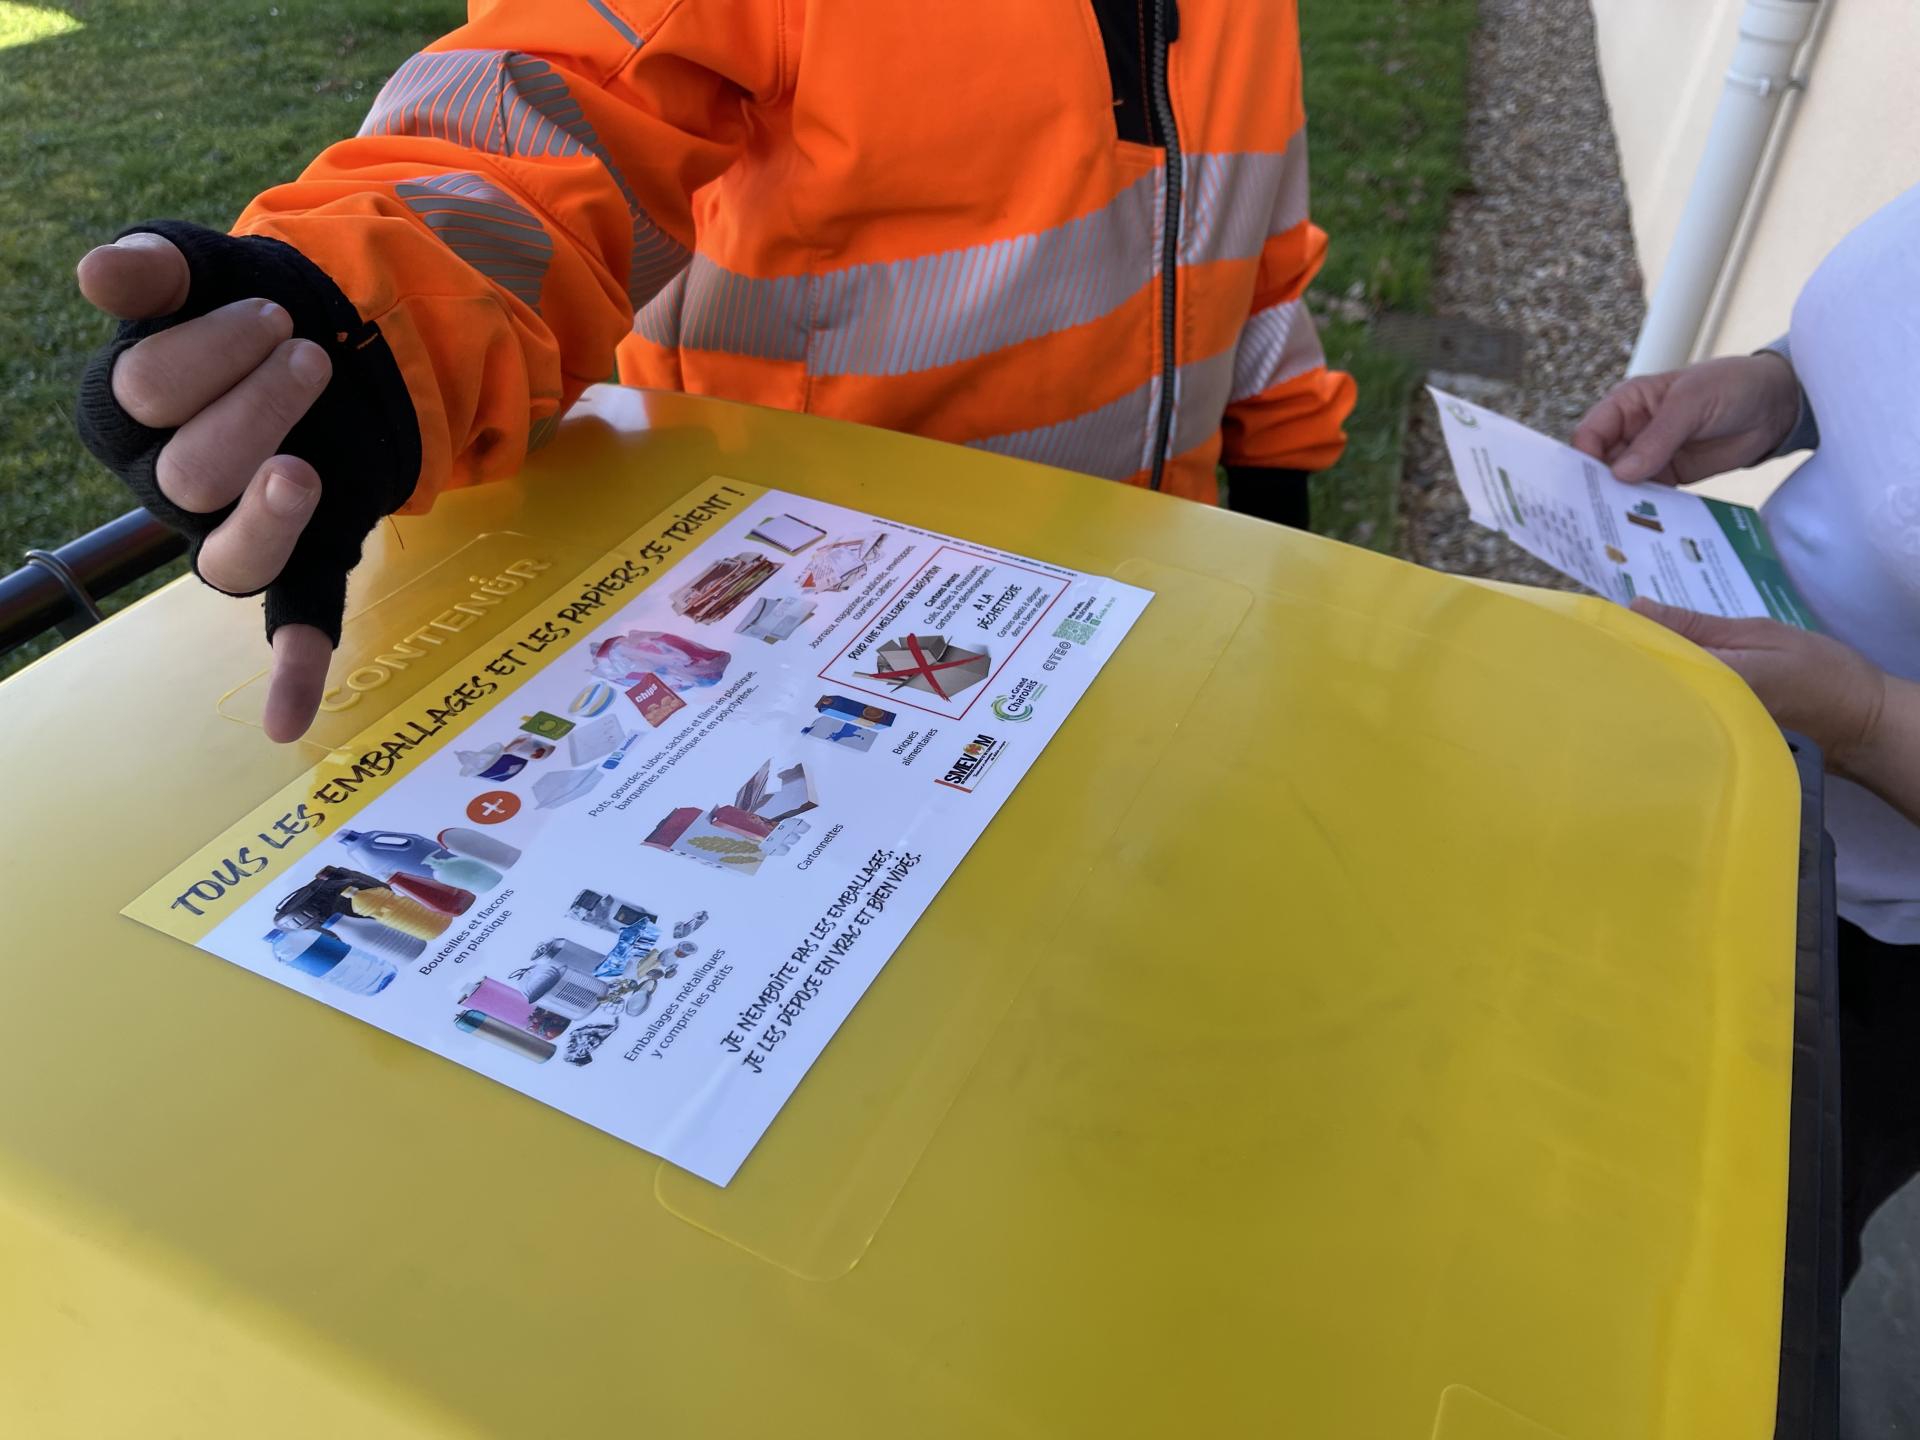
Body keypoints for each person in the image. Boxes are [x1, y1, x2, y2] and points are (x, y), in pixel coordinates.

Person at [71, 0, 1355, 742]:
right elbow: (540, 98)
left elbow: (1251, 251)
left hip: (1143, 614)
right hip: (812, 647)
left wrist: (1284, 484)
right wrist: (368, 321)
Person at [1573, 183, 1920, 1283]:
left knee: (1714, 1267)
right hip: (1735, 776)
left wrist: (1864, 718)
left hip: (1866, 944)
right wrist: (1782, 388)